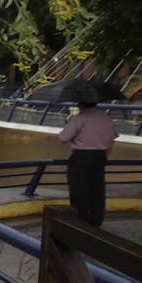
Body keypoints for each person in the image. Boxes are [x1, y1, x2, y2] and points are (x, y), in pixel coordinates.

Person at [58, 84, 118, 226]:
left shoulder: (79, 119)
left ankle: (80, 222)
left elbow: (63, 138)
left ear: (80, 105)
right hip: (100, 157)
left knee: (79, 191)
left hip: (81, 158)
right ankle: (96, 221)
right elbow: (112, 139)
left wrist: (68, 123)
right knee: (97, 190)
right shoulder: (105, 118)